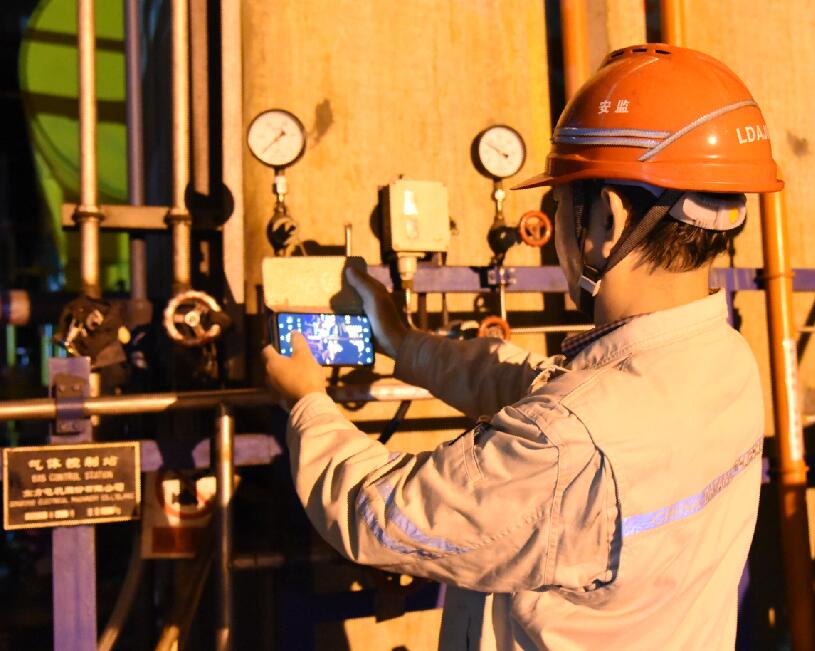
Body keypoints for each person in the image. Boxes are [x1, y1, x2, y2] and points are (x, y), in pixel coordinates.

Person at [263, 43, 780, 650]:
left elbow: (383, 517)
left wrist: (308, 404)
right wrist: (403, 342)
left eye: (559, 203)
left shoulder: (568, 446)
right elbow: (547, 390)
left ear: (607, 219)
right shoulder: (727, 362)